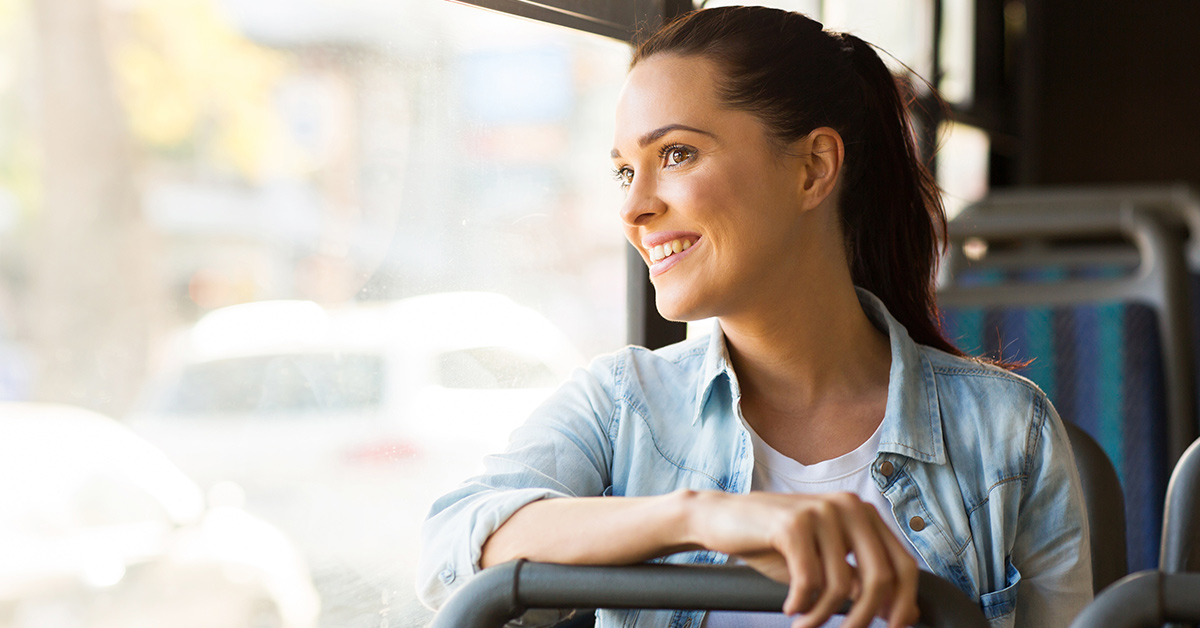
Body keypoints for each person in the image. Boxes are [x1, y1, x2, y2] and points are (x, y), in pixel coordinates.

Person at [417, 6, 1091, 628]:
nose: (633, 207)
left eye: (676, 154)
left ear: (813, 168)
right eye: (625, 171)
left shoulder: (1008, 434)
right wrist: (698, 517)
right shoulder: (623, 407)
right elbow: (453, 548)